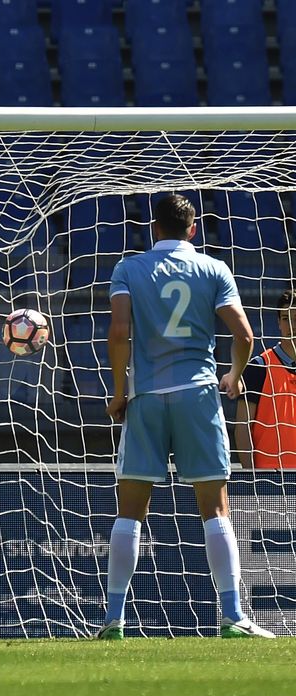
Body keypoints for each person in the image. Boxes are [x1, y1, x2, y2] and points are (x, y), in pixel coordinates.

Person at [100, 193, 273, 640]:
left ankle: (114, 620)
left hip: (147, 395)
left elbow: (119, 332)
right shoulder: (214, 269)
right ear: (192, 230)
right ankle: (233, 616)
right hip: (198, 394)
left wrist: (120, 393)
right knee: (214, 509)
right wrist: (233, 376)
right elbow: (245, 333)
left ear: (152, 229)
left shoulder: (128, 269)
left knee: (131, 511)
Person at [235, 289, 296, 469]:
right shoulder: (259, 367)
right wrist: (253, 476)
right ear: (278, 323)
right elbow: (242, 427)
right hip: (271, 482)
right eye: (286, 319)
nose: (292, 325)